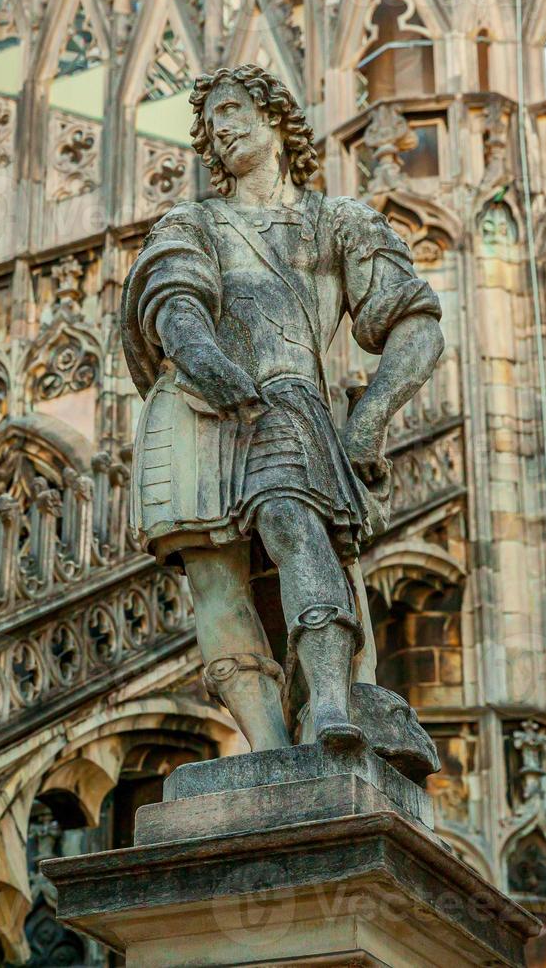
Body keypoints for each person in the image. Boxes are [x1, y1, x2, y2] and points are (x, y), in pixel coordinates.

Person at [120, 64, 443, 753]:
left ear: (276, 118)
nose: (222, 129)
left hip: (286, 401)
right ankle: (267, 749)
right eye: (210, 124)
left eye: (234, 110)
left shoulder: (340, 222)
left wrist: (371, 417)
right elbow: (172, 302)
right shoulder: (195, 222)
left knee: (291, 520)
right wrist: (205, 360)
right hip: (196, 408)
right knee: (213, 576)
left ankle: (331, 706)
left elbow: (417, 325)